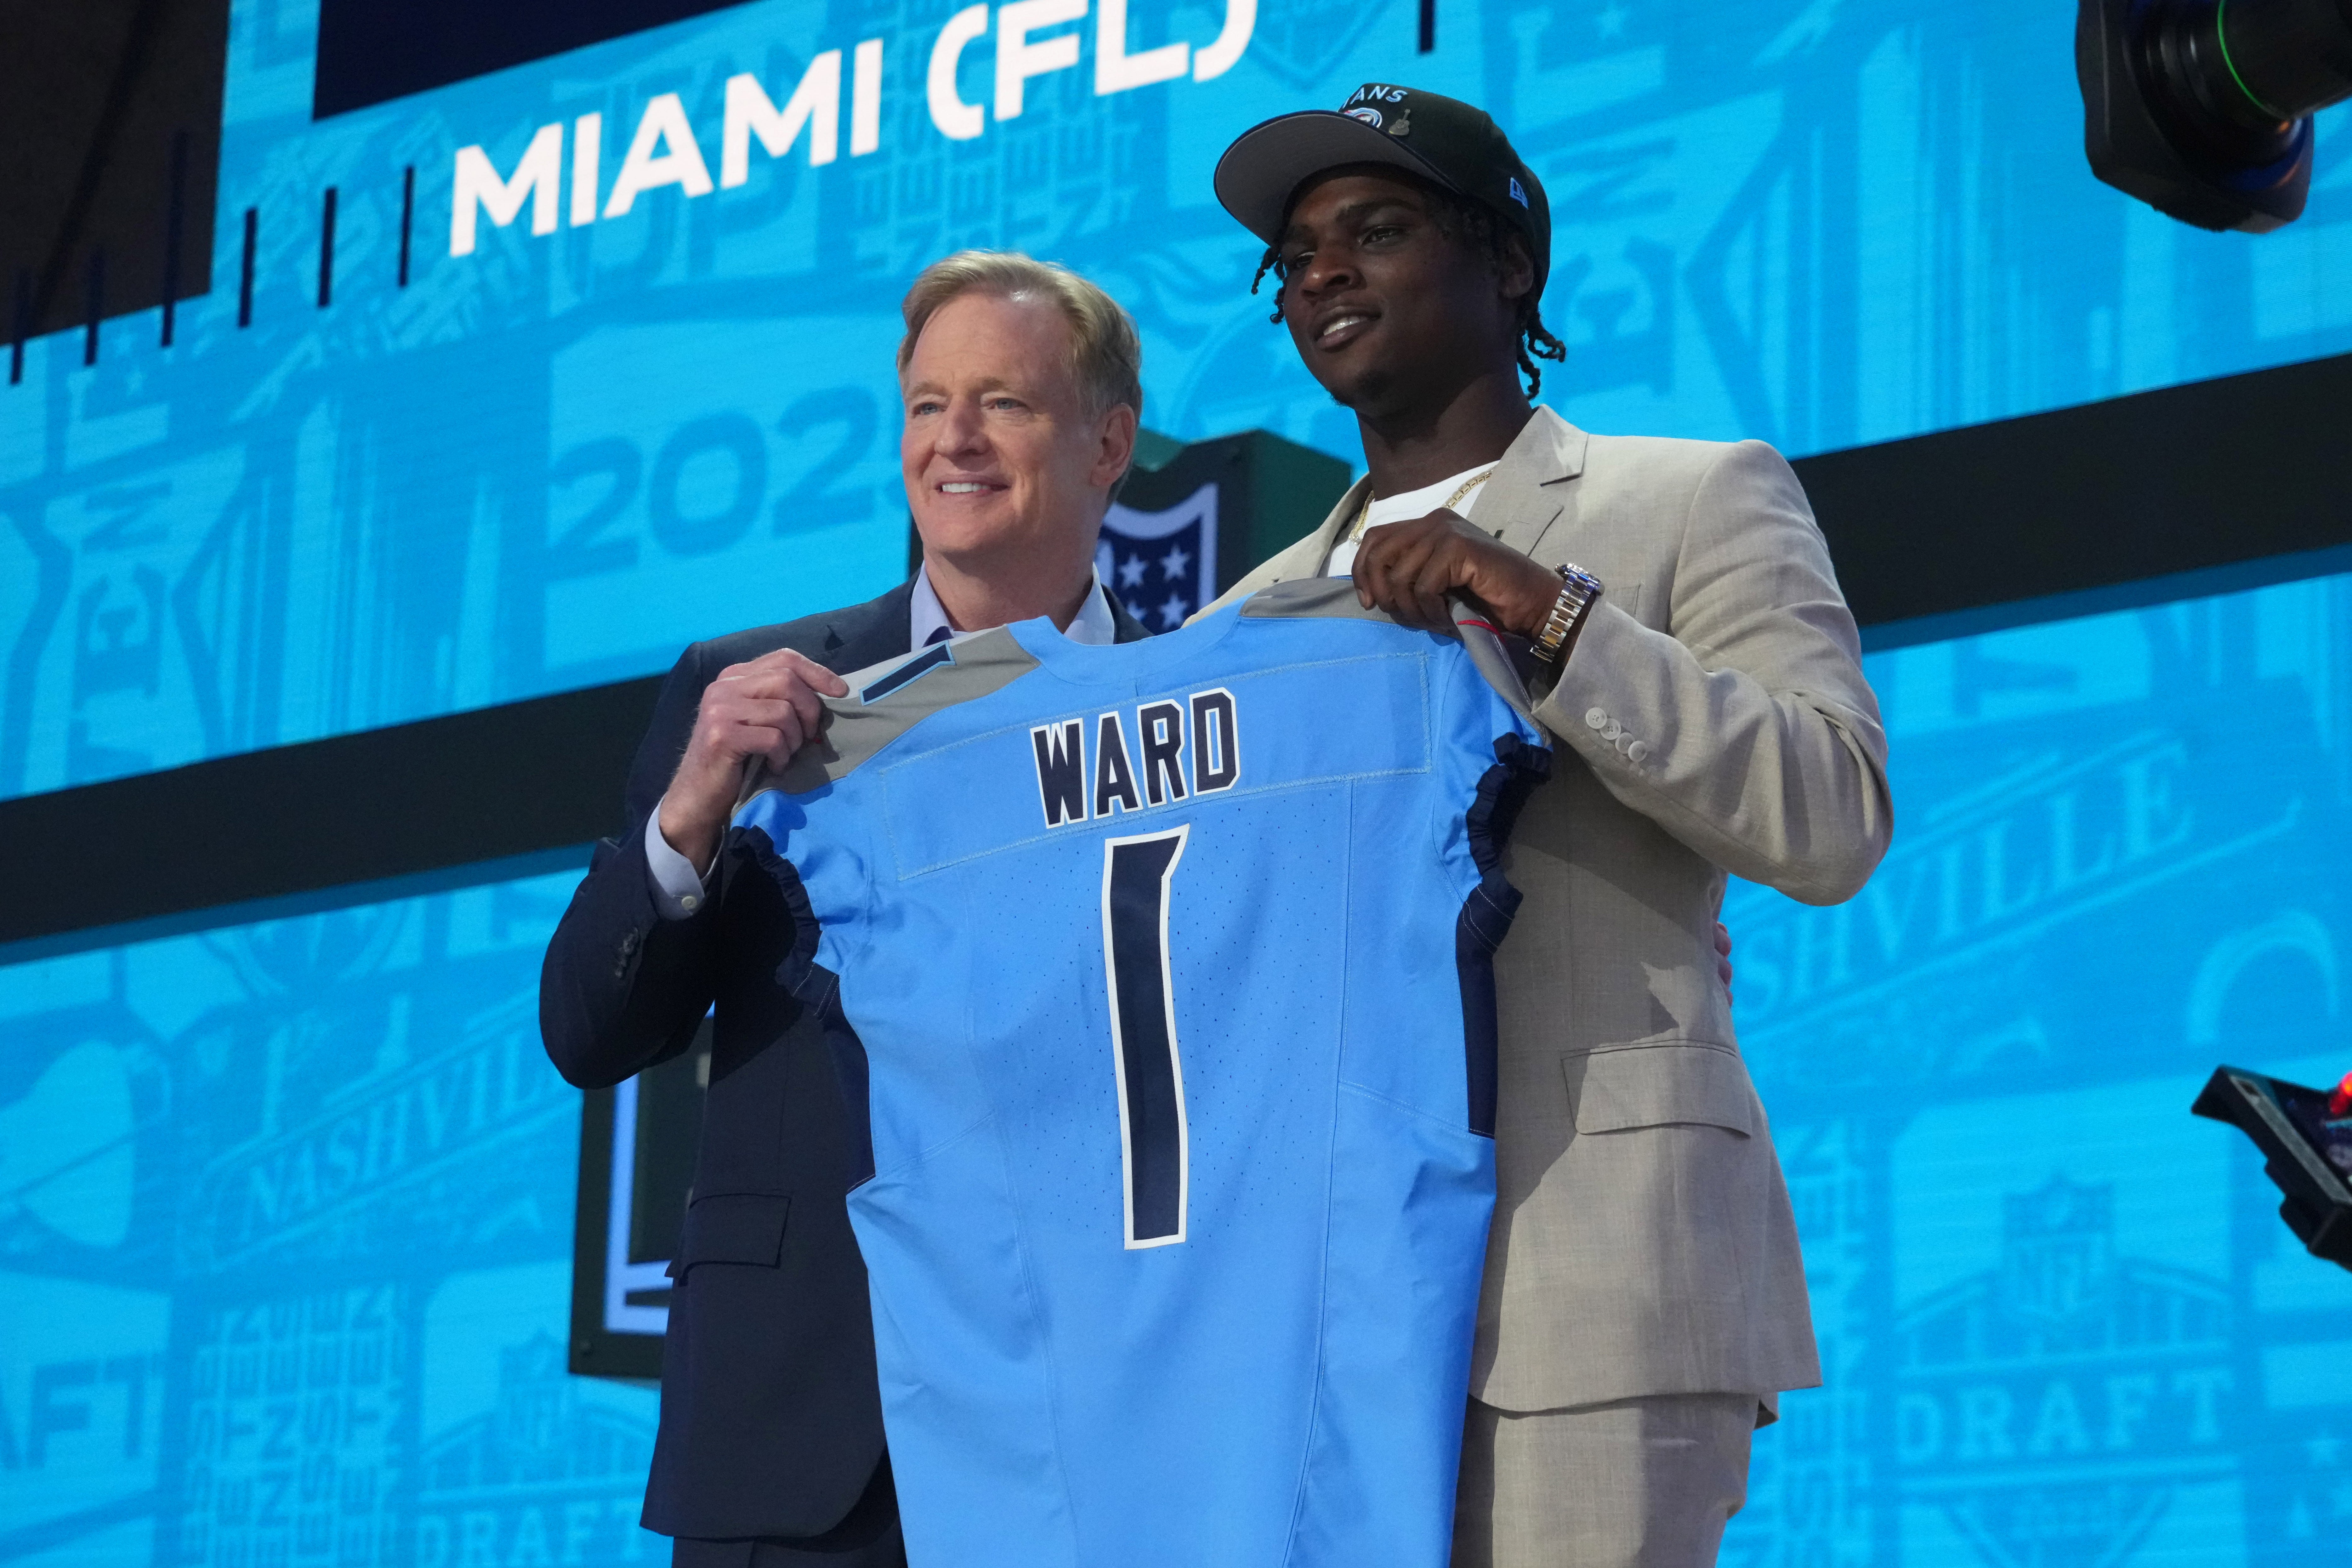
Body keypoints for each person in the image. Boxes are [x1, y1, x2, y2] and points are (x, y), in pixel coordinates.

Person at [1202, 86, 1895, 1568]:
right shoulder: (1240, 620)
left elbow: (1830, 814)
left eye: (1374, 230)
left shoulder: (1691, 497)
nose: (1323, 273)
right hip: (1318, 1315)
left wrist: (1551, 614)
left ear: (1507, 263)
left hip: (1593, 1272)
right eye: (1295, 258)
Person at [539, 250, 1149, 1568]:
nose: (954, 440)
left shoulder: (1196, 709)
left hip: (1103, 1424)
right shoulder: (746, 696)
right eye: (928, 405)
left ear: (1109, 443)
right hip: (804, 1430)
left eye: (1004, 402)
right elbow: (591, 1032)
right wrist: (691, 810)